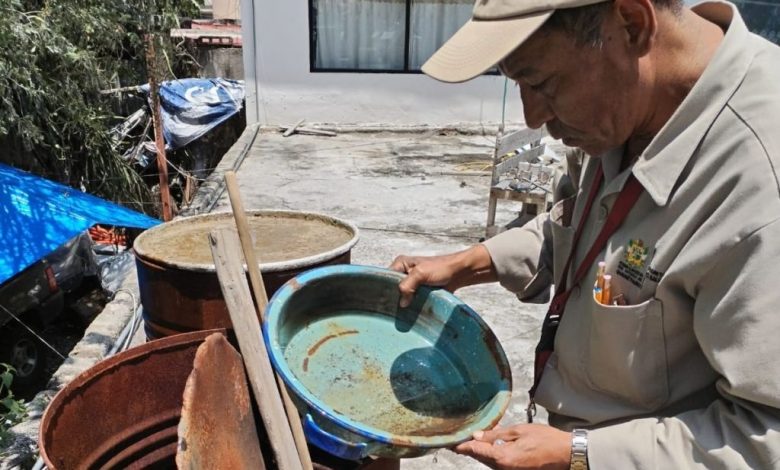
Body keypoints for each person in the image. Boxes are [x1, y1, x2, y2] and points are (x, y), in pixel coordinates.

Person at [391, 0, 780, 468]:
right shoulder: (625, 108)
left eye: (542, 83)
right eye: (517, 84)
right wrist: (471, 263)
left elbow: (766, 438)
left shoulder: (760, 179)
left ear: (632, 23)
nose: (532, 116)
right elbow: (579, 223)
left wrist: (578, 453)